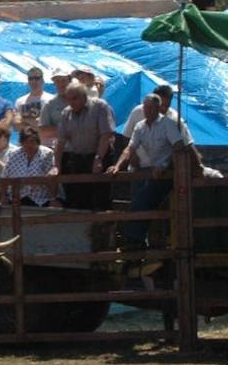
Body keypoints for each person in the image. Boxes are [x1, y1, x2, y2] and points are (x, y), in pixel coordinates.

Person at [108, 94, 188, 248]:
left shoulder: (168, 124)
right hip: (146, 171)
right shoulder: (140, 127)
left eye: (150, 107)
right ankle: (137, 242)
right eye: (145, 107)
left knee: (143, 199)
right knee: (140, 201)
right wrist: (118, 166)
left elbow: (179, 148)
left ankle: (132, 240)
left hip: (164, 173)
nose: (147, 110)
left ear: (158, 108)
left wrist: (165, 165)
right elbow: (129, 148)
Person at [53, 81, 113, 210]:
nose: (71, 103)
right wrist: (56, 165)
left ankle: (102, 228)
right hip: (78, 159)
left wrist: (98, 159)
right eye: (68, 99)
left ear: (83, 96)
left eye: (74, 98)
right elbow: (60, 140)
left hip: (99, 156)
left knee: (100, 198)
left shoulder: (100, 107)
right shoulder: (66, 113)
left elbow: (106, 135)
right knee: (79, 199)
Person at [4, 127, 59, 207]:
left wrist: (53, 199)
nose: (29, 145)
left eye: (32, 142)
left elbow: (52, 179)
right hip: (16, 198)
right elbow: (5, 177)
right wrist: (3, 197)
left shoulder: (47, 154)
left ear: (37, 142)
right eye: (25, 142)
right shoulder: (13, 154)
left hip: (40, 199)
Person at [14, 67, 52, 134]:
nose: (33, 81)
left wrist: (25, 120)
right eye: (31, 78)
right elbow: (17, 126)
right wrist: (35, 123)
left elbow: (53, 125)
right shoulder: (20, 101)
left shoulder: (51, 100)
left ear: (42, 80)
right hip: (25, 143)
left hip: (46, 143)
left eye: (37, 78)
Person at [38, 70, 72, 145]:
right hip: (59, 148)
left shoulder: (80, 100)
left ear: (70, 81)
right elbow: (43, 131)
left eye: (63, 80)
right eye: (57, 81)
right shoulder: (49, 104)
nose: (61, 84)